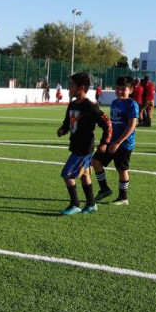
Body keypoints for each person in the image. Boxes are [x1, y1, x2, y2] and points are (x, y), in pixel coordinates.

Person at [55, 72, 112, 215]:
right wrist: (63, 129)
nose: (69, 88)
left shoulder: (90, 107)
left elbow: (107, 124)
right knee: (84, 175)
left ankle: (75, 204)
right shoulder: (73, 104)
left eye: (71, 85)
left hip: (84, 148)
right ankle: (91, 204)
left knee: (67, 174)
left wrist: (104, 142)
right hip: (75, 145)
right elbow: (68, 122)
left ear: (81, 88)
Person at [93, 76, 138, 206]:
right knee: (96, 161)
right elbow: (112, 124)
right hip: (111, 141)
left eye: (123, 89)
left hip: (124, 143)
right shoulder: (114, 103)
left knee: (121, 169)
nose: (119, 91)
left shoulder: (132, 104)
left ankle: (123, 198)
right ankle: (104, 189)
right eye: (117, 88)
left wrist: (118, 142)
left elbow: (131, 126)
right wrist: (107, 140)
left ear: (130, 90)